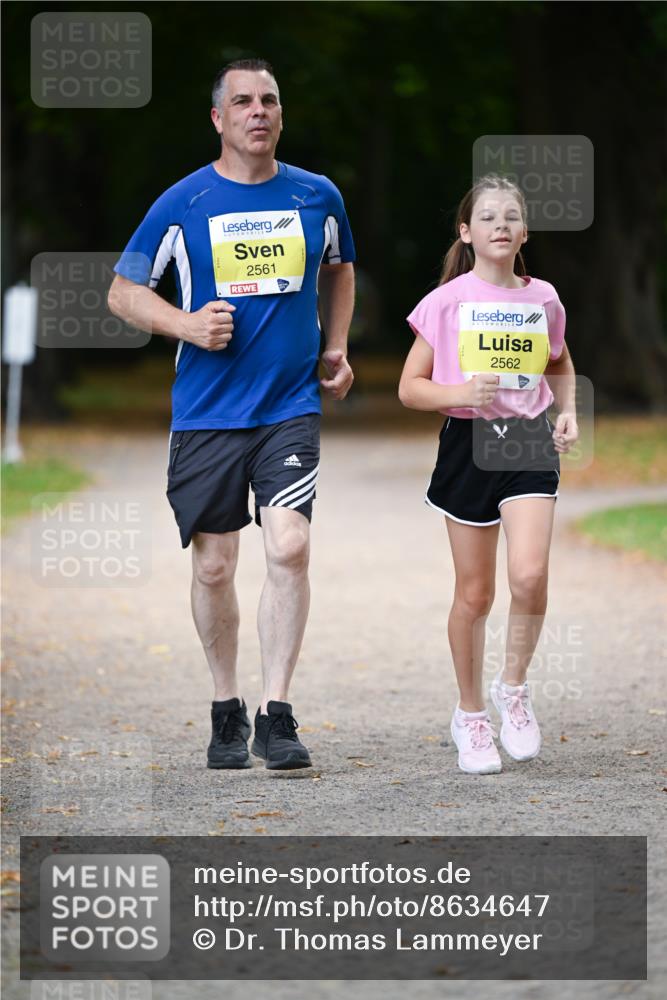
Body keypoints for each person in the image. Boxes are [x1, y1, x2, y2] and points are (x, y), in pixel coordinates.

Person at [108, 58, 355, 771]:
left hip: (289, 405)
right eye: (243, 101)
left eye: (269, 100)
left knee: (289, 547)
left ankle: (277, 715)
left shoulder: (317, 195)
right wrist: (185, 324)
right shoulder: (184, 202)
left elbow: (339, 266)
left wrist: (336, 346)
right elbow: (123, 293)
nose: (258, 111)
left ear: (280, 114)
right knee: (215, 567)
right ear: (218, 118)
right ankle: (226, 708)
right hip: (207, 412)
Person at [398, 174, 578, 775]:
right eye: (488, 217)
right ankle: (471, 715)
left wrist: (568, 411)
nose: (501, 225)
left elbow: (559, 361)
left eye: (511, 217)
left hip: (527, 441)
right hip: (468, 447)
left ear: (524, 233)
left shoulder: (543, 298)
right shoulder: (446, 302)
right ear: (466, 232)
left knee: (529, 574)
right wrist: (459, 392)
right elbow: (409, 388)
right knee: (476, 594)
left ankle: (513, 688)